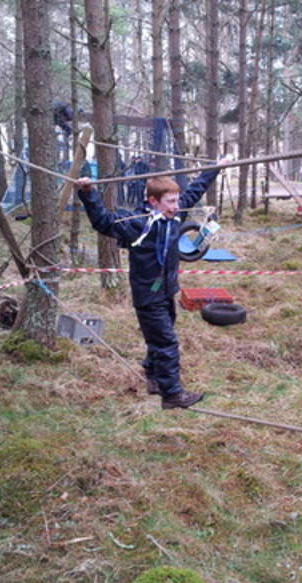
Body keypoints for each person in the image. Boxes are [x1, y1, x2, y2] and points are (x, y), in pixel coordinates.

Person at [76, 160, 229, 409]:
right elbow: (103, 222)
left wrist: (216, 167)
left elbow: (195, 190)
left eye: (177, 201)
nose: (176, 206)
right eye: (170, 202)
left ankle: (153, 376)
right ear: (153, 201)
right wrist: (88, 193)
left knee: (160, 335)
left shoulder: (175, 215)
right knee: (166, 342)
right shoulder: (137, 224)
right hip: (148, 296)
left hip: (167, 291)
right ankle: (172, 394)